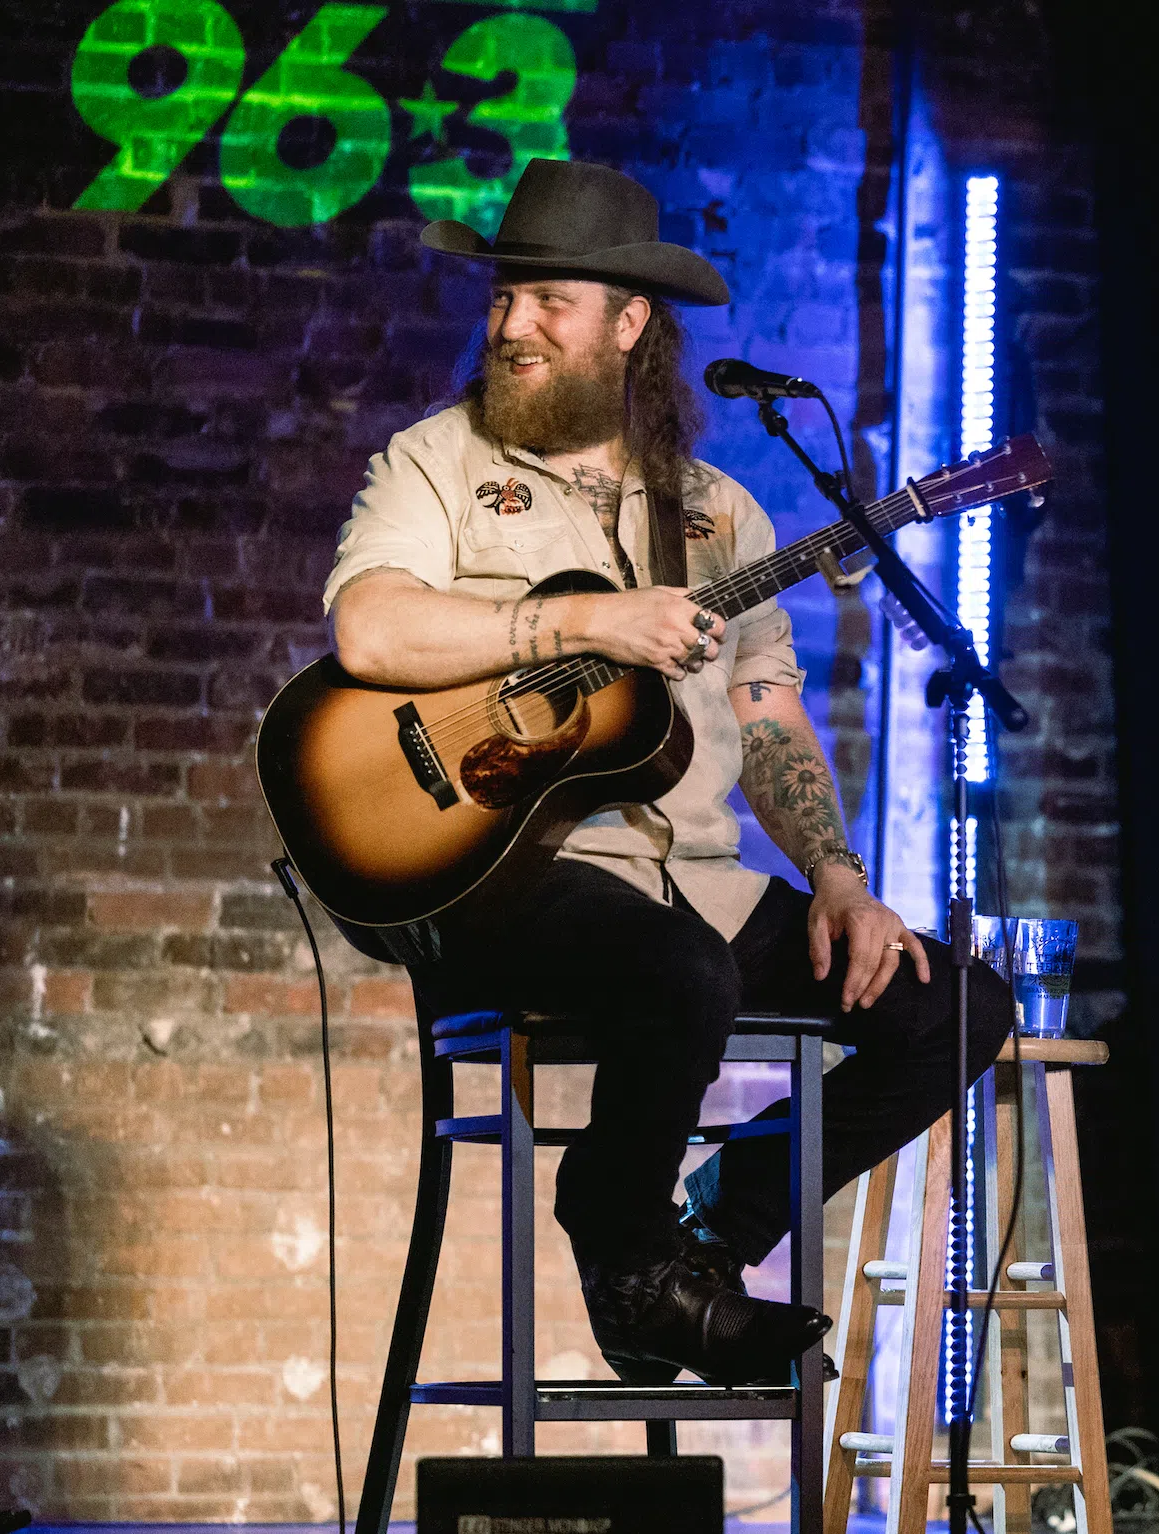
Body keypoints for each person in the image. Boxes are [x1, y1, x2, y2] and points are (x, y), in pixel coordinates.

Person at [321, 159, 1011, 1385]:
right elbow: (369, 633)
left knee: (958, 1008)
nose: (512, 324)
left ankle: (707, 1239)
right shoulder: (435, 463)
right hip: (508, 874)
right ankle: (627, 1245)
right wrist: (585, 623)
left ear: (630, 323)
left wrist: (840, 877)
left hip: (700, 882)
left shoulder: (719, 514)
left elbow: (768, 713)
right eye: (504, 296)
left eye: (549, 301)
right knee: (682, 972)